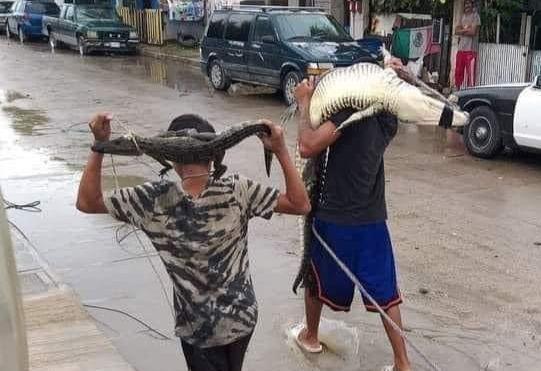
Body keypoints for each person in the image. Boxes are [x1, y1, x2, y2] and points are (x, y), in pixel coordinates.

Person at [76, 113, 310, 371]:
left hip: (198, 330)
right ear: (213, 156)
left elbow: (87, 202)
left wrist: (99, 144)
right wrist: (280, 150)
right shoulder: (237, 189)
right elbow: (301, 204)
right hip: (242, 320)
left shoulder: (153, 200)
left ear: (173, 159)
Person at [293, 78, 411, 371]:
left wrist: (304, 102)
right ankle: (402, 363)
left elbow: (307, 146)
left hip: (334, 218)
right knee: (386, 292)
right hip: (372, 219)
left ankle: (311, 336)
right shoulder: (386, 118)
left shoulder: (347, 113)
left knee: (314, 278)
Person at [454, 0, 481, 89]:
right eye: (465, 3)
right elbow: (456, 31)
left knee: (471, 75)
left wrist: (462, 30)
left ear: (472, 5)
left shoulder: (475, 16)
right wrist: (466, 29)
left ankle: (471, 94)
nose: (467, 5)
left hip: (471, 51)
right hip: (461, 49)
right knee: (458, 73)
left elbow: (473, 32)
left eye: (469, 3)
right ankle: (457, 93)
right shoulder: (462, 17)